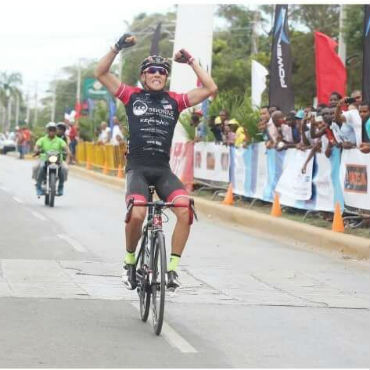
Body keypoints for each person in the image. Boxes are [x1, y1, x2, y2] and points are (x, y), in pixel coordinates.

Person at [95, 33, 217, 290]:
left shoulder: (175, 100)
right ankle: (129, 262)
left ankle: (171, 269)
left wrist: (192, 61)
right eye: (151, 70)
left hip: (162, 170)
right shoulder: (131, 95)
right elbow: (101, 72)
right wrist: (117, 47)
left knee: (185, 210)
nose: (157, 74)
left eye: (162, 71)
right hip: (137, 169)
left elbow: (210, 89)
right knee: (138, 214)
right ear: (143, 76)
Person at [33, 122, 70, 196]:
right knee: (37, 167)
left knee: (65, 168)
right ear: (47, 131)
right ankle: (38, 186)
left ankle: (60, 187)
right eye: (50, 130)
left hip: (58, 159)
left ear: (56, 131)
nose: (52, 132)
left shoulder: (60, 140)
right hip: (44, 159)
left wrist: (67, 153)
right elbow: (36, 146)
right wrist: (37, 150)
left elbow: (66, 149)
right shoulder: (42, 139)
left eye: (53, 130)